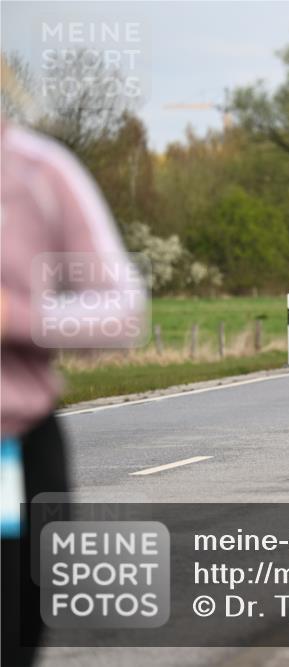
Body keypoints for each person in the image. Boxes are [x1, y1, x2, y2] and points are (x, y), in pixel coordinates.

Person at [1, 121, 146, 666]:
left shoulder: (38, 172)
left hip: (12, 447)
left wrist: (16, 316)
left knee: (11, 638)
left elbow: (121, 310)